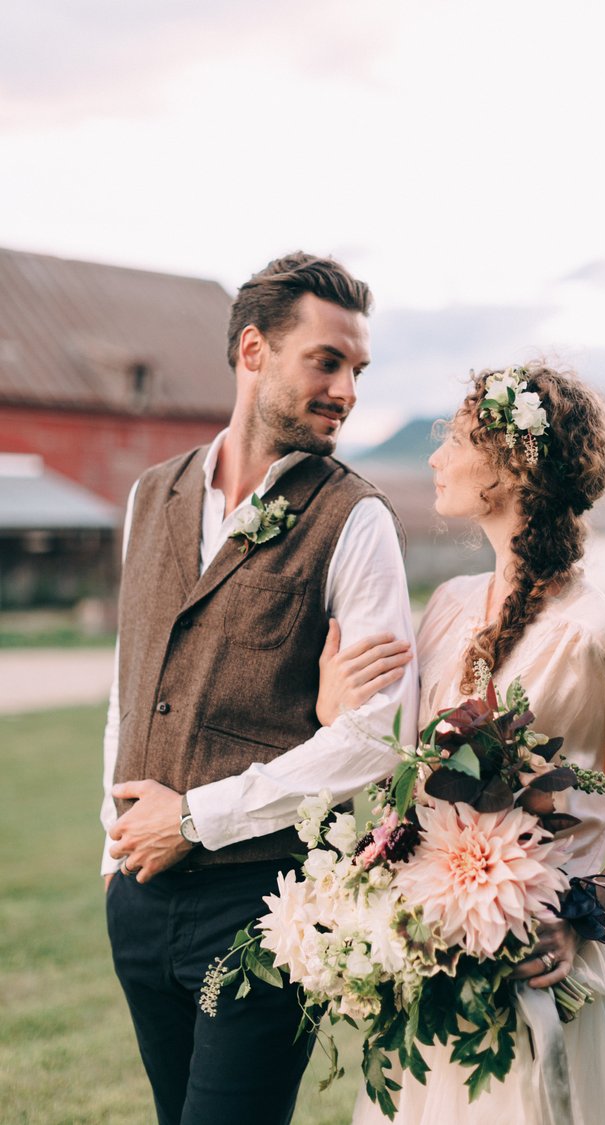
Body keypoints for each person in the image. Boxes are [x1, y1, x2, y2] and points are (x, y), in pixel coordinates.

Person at [317, 362, 605, 1124]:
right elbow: (401, 758)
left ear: (510, 468)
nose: (435, 457)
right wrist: (337, 704)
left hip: (554, 982)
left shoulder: (597, 638)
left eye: (454, 439)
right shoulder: (450, 605)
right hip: (441, 966)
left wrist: (579, 913)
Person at [100, 252, 419, 1125]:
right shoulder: (146, 497)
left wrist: (194, 817)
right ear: (253, 352)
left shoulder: (356, 520)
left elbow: (378, 735)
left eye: (357, 369)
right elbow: (130, 688)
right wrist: (112, 857)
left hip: (264, 905)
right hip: (138, 896)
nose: (348, 390)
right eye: (327, 361)